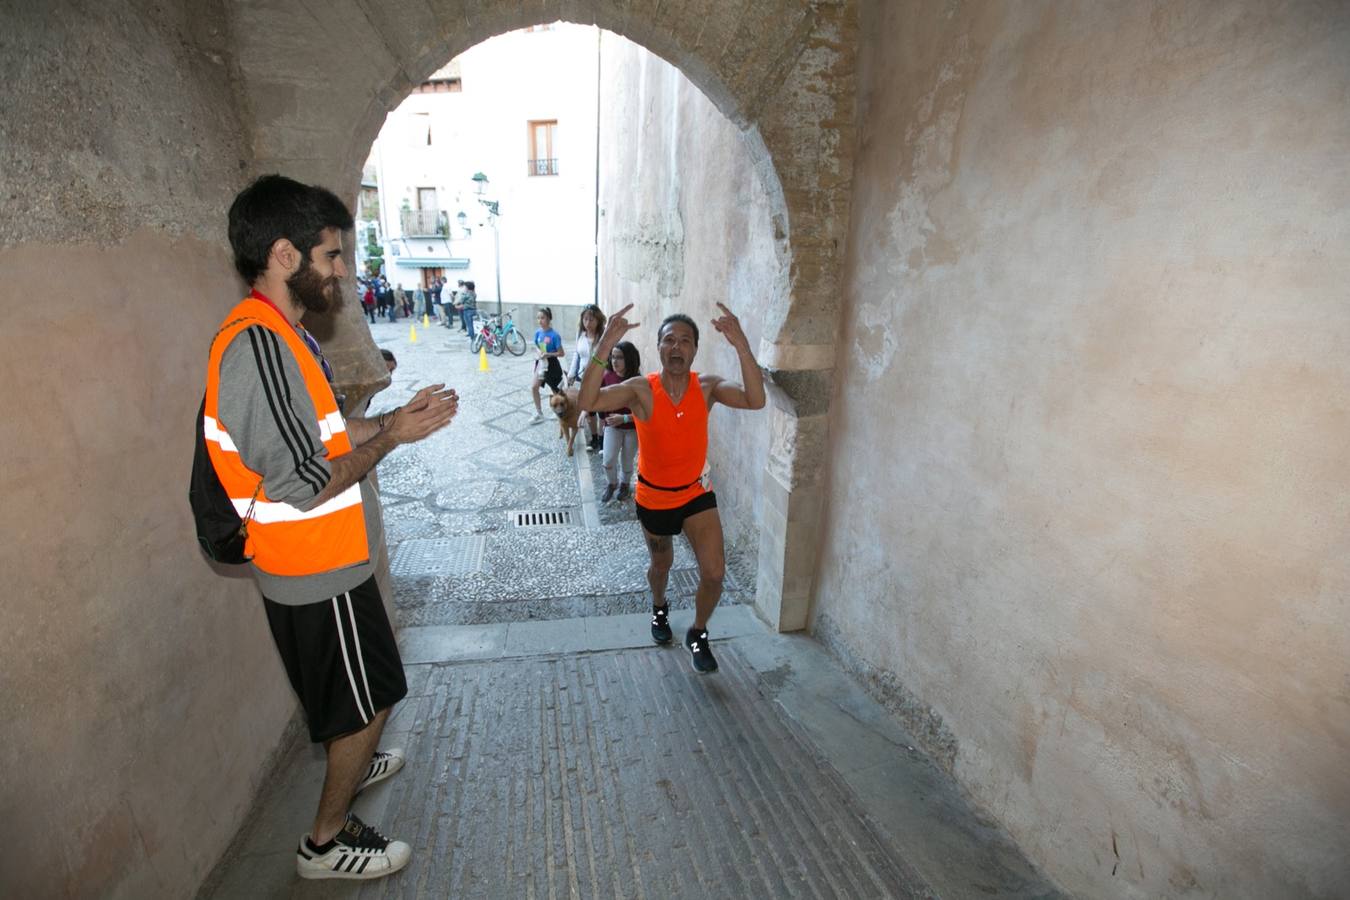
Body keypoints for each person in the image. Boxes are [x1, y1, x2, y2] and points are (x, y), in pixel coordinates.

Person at [204, 174, 458, 880]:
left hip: (328, 564)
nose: (343, 269)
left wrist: (388, 421)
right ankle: (324, 841)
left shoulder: (286, 335)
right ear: (285, 256)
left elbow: (325, 435)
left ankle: (357, 750)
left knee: (363, 694)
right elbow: (303, 480)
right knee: (370, 699)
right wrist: (394, 440)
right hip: (311, 570)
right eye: (331, 255)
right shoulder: (257, 346)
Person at [578, 303, 765, 673]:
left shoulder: (707, 387)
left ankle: (698, 632)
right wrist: (604, 346)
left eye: (685, 341)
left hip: (696, 495)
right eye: (669, 340)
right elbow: (587, 401)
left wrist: (742, 345)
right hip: (654, 498)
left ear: (694, 349)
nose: (676, 347)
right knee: (661, 564)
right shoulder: (641, 390)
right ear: (659, 348)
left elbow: (755, 399)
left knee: (713, 573)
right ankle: (659, 607)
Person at [599, 340, 640, 502]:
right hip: (612, 427)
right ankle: (612, 483)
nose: (614, 361)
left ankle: (624, 484)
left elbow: (647, 412)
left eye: (620, 357)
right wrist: (602, 419)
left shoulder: (638, 381)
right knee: (608, 460)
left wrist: (624, 418)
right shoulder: (607, 376)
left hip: (632, 428)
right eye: (613, 357)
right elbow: (600, 399)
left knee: (627, 460)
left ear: (629, 358)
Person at [567, 303, 606, 452]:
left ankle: (603, 439)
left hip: (601, 378)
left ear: (598, 320)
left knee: (602, 410)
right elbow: (577, 355)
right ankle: (594, 437)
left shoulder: (603, 337)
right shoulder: (581, 336)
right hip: (584, 378)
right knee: (589, 410)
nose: (588, 323)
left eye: (592, 319)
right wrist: (571, 374)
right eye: (585, 319)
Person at [529, 307, 565, 423]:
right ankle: (539, 413)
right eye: (538, 318)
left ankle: (560, 412)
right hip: (541, 364)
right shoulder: (538, 332)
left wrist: (548, 354)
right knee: (534, 387)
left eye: (543, 318)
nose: (540, 320)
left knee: (556, 391)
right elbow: (536, 346)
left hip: (553, 365)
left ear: (549, 319)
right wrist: (538, 352)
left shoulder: (555, 335)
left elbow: (561, 353)